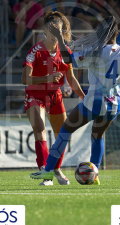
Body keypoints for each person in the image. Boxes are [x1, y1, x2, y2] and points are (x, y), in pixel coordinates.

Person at [30, 17, 120, 184]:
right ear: (117, 32)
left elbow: (67, 59)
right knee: (98, 135)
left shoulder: (94, 51)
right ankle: (94, 175)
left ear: (99, 33)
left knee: (65, 130)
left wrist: (59, 38)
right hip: (114, 105)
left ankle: (48, 170)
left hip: (93, 102)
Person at [22, 11, 85, 186]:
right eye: (53, 29)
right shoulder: (35, 51)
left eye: (60, 30)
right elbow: (24, 79)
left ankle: (56, 169)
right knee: (40, 129)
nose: (57, 33)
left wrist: (83, 97)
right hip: (35, 95)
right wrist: (47, 79)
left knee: (63, 134)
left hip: (55, 96)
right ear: (45, 31)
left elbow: (71, 79)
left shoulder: (65, 52)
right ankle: (45, 172)